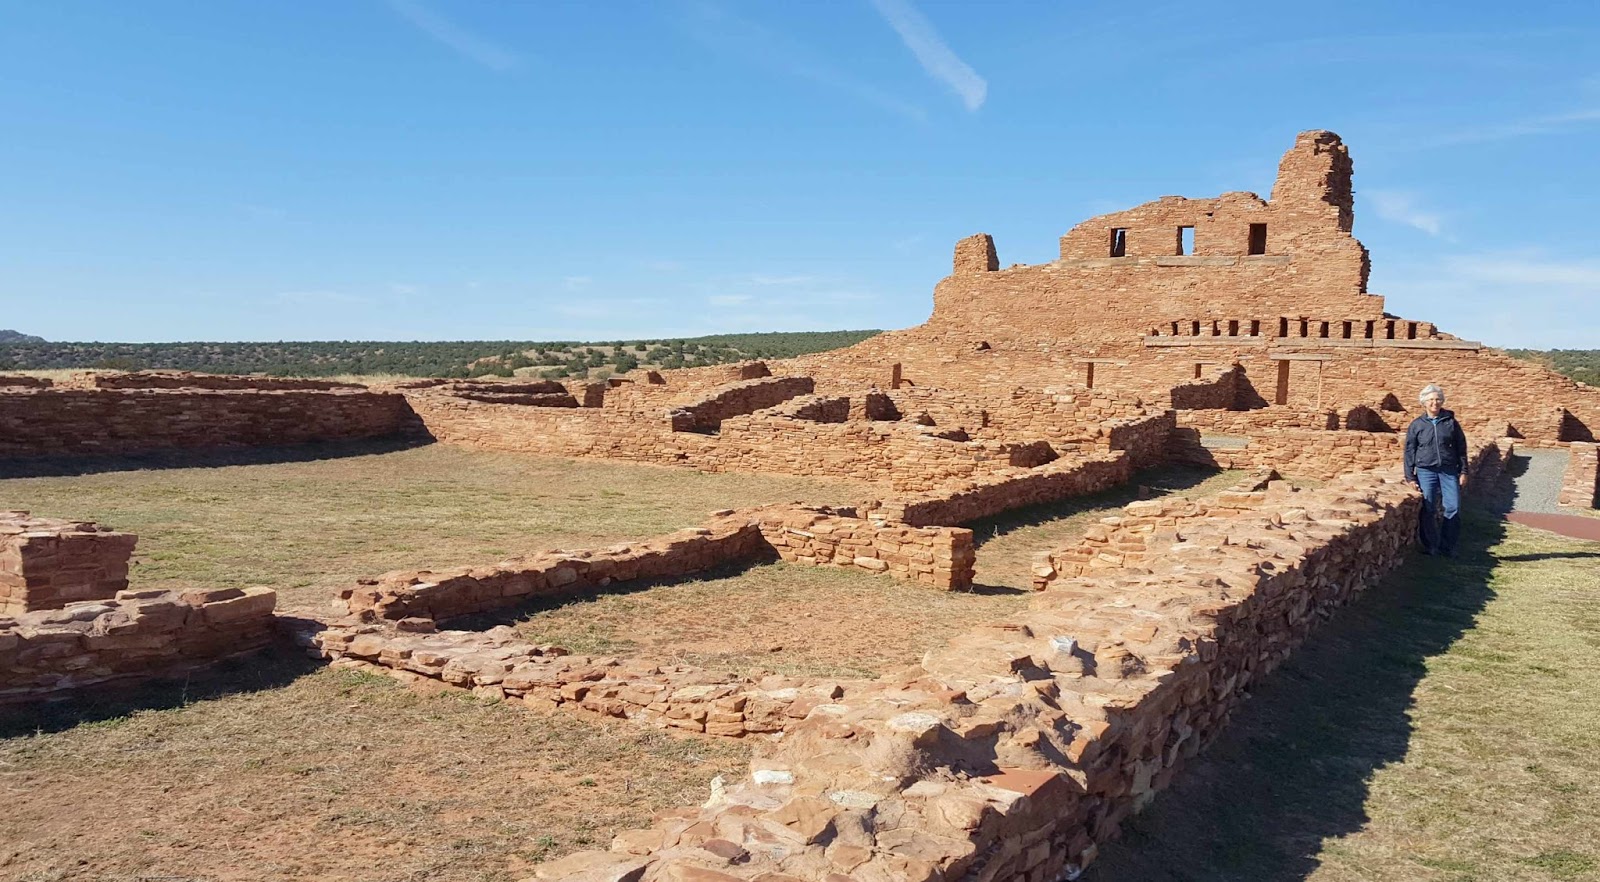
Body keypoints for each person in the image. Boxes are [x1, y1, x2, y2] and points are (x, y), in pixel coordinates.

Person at [1403, 383, 1469, 557]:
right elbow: (1410, 450)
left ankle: (1448, 546)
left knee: (1453, 507)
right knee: (1429, 507)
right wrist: (1410, 477)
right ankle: (1431, 545)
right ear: (1424, 402)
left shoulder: (1451, 423)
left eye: (1438, 399)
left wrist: (1464, 471)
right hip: (1426, 470)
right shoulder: (1417, 425)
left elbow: (1461, 448)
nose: (1435, 403)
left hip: (1448, 470)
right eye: (1431, 399)